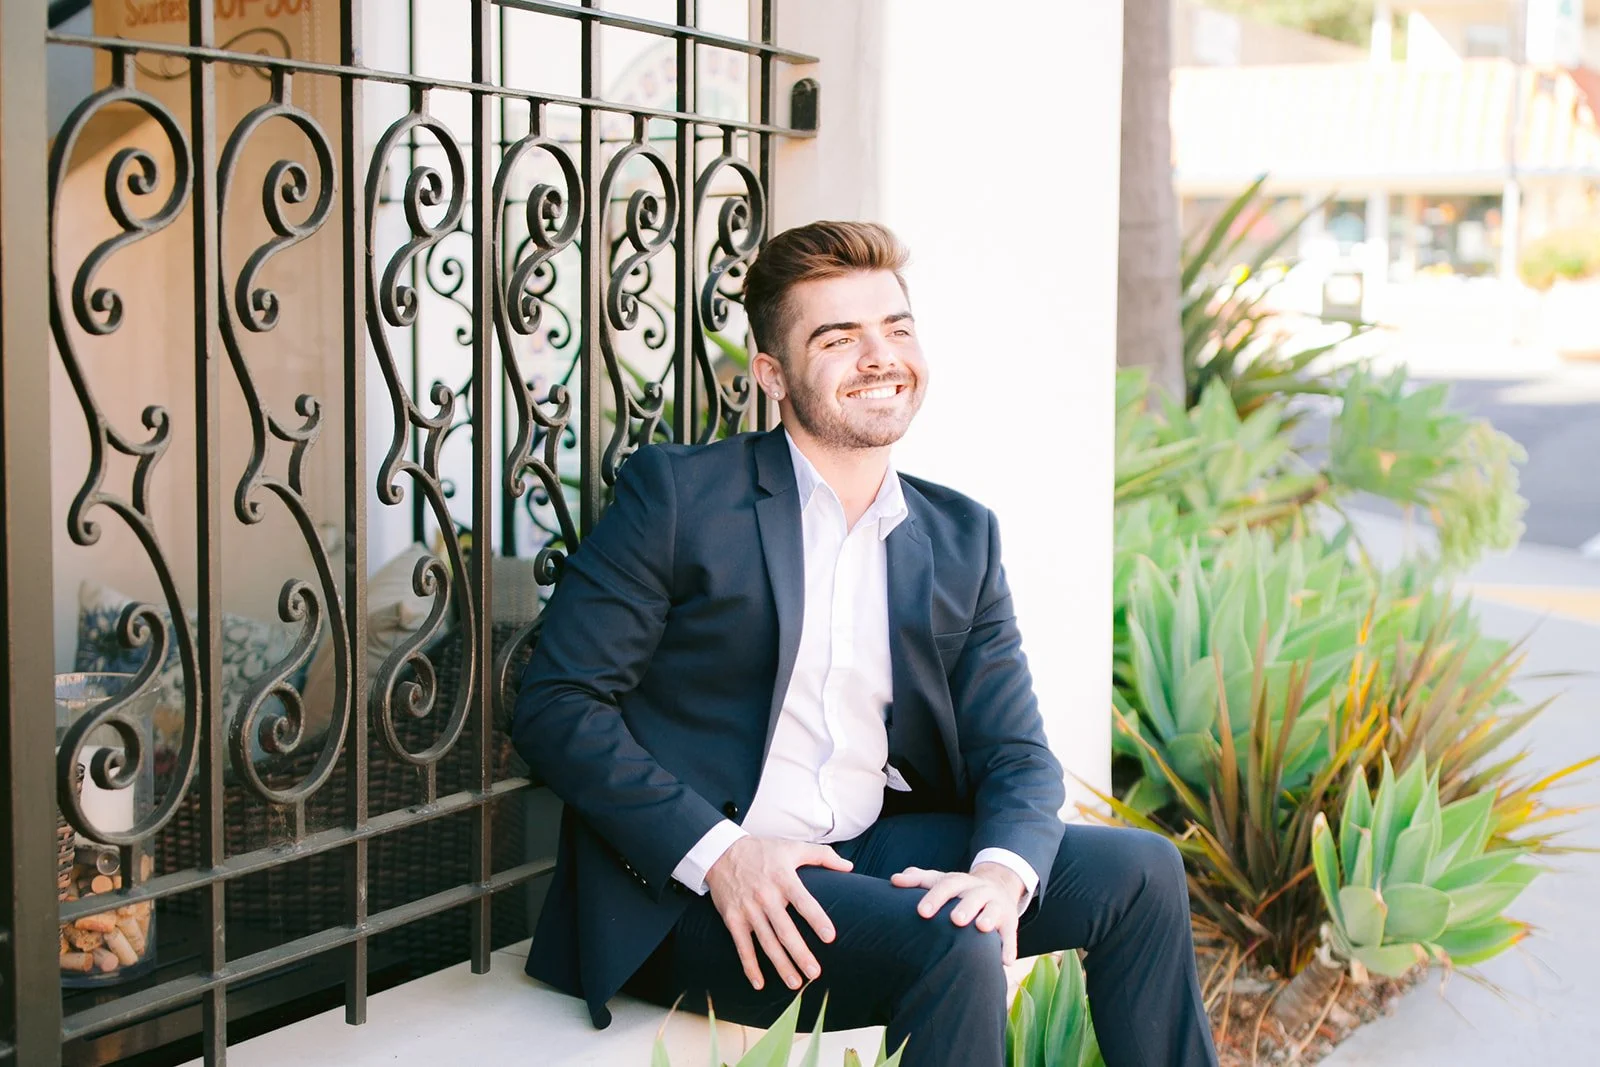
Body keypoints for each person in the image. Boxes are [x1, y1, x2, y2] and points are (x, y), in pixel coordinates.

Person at [511, 220, 1219, 1066]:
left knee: (1140, 871)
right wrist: (722, 854)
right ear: (772, 374)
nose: (880, 356)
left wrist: (999, 875)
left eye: (897, 328)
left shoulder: (959, 535)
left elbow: (1017, 753)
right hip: (697, 890)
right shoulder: (681, 498)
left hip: (862, 852)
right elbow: (556, 705)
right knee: (951, 948)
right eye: (839, 338)